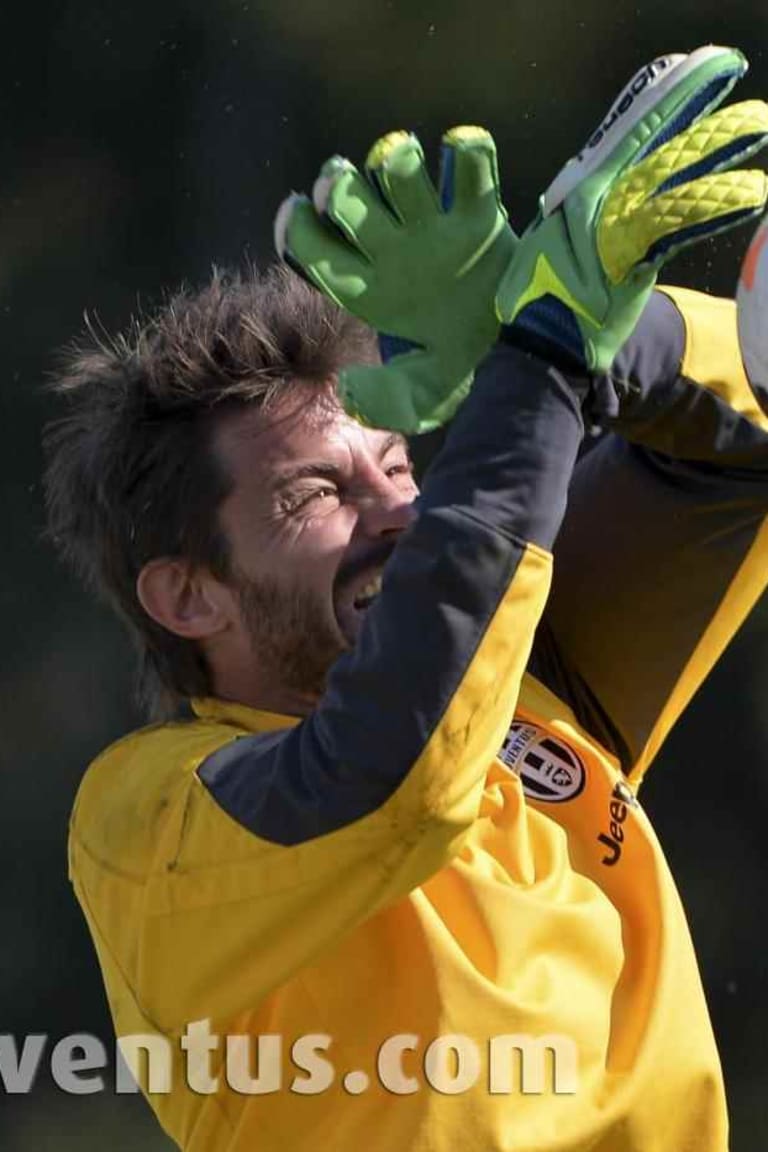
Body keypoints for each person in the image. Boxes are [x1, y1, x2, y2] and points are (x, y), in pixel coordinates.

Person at [46, 48, 768, 1152]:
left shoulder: (513, 669)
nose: (397, 510)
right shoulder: (145, 824)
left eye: (398, 462)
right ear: (188, 595)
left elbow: (742, 447)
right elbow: (396, 780)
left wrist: (598, 347)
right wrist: (541, 362)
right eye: (317, 493)